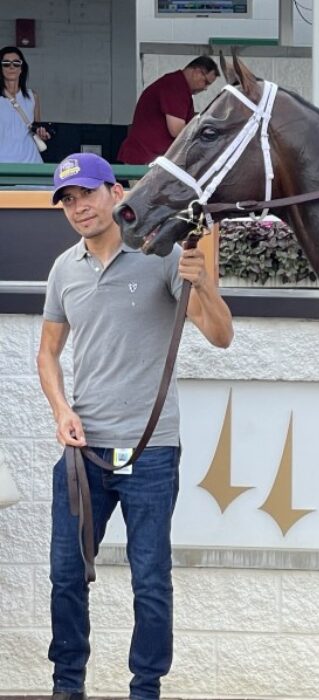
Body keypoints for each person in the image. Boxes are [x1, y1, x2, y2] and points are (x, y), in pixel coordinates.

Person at [36, 153, 233, 700]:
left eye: (88, 194)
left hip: (151, 452)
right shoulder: (63, 270)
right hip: (84, 453)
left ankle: (146, 688)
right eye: (68, 201)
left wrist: (206, 284)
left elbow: (221, 337)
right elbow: (48, 354)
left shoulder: (160, 257)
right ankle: (66, 686)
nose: (79, 208)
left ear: (117, 192)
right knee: (66, 578)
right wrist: (61, 411)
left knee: (150, 582)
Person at [117, 56, 219, 164]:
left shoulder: (174, 84)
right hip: (146, 161)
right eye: (206, 82)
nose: (205, 88)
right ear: (197, 72)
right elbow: (177, 130)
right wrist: (205, 135)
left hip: (148, 158)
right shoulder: (176, 87)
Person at [1, 46, 51, 163]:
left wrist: (42, 134)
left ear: (21, 68)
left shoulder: (32, 96)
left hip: (30, 162)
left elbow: (36, 129)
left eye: (16, 63)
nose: (11, 67)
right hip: (2, 163)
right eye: (6, 63)